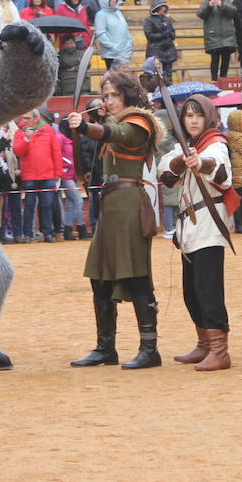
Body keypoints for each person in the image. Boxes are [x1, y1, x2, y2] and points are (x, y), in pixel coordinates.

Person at [66, 68, 164, 370]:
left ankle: (150, 348)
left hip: (130, 206)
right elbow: (105, 132)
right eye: (105, 96)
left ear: (128, 95)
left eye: (114, 95)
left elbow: (115, 134)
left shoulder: (139, 123)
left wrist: (85, 127)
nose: (108, 101)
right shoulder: (114, 121)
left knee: (136, 276)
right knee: (100, 276)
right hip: (111, 207)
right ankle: (105, 347)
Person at [155, 95, 233, 371]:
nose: (193, 120)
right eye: (188, 115)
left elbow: (222, 171)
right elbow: (165, 173)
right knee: (192, 291)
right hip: (189, 228)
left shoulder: (216, 144)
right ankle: (204, 345)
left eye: (198, 115)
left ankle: (220, 350)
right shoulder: (183, 146)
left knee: (208, 289)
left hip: (209, 227)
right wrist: (180, 162)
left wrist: (201, 163)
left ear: (207, 117)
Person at [13, 111, 62, 244]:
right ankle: (27, 234)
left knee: (47, 205)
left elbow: (56, 151)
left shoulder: (48, 130)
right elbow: (17, 151)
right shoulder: (20, 132)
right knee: (29, 205)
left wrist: (58, 173)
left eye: (27, 118)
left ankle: (48, 233)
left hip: (47, 174)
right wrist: (27, 139)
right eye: (23, 117)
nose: (24, 120)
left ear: (36, 119)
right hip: (29, 175)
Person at [197, 0, 236, 80]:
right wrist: (209, 7)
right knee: (214, 59)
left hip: (227, 36)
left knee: (226, 59)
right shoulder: (206, 3)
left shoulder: (226, 1)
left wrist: (221, 5)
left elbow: (233, 12)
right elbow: (201, 14)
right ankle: (214, 80)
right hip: (213, 36)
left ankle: (223, 78)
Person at [93, 0, 132, 70]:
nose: (114, 1)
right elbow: (101, 34)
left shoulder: (118, 12)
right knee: (114, 79)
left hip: (124, 53)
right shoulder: (100, 15)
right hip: (111, 55)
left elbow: (125, 29)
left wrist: (129, 43)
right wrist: (113, 47)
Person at [142, 0, 178, 83]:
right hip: (156, 51)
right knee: (156, 76)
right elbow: (149, 35)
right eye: (162, 7)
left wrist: (170, 34)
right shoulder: (149, 20)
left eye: (164, 7)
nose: (164, 9)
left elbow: (173, 34)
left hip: (169, 51)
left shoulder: (167, 19)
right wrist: (162, 34)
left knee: (168, 76)